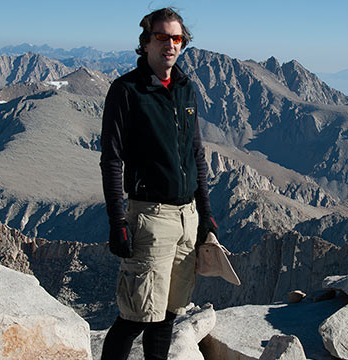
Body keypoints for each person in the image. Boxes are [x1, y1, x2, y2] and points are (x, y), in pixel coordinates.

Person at [99, 7, 217, 360]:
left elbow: (196, 153)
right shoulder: (126, 91)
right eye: (161, 37)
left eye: (176, 38)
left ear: (183, 43)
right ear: (146, 42)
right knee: (134, 317)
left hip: (187, 217)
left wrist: (206, 214)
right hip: (150, 217)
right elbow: (111, 159)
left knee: (168, 314)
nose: (170, 44)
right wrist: (118, 222)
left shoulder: (185, 89)